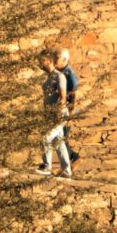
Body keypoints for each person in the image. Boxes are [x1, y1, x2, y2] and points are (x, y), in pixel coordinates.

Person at [38, 50, 74, 178]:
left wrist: (59, 112)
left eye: (42, 61)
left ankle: (47, 166)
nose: (39, 63)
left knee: (46, 138)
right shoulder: (48, 77)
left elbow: (63, 96)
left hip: (58, 114)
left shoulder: (60, 76)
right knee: (59, 143)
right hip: (50, 115)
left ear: (49, 61)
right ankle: (66, 170)